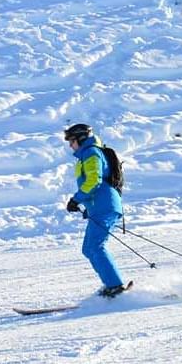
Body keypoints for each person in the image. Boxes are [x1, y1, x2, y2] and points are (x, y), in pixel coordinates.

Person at [63, 123, 127, 298]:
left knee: (95, 246)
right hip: (100, 206)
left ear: (81, 139)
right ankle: (112, 285)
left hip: (105, 206)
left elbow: (93, 180)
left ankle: (115, 287)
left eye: (71, 140)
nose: (70, 145)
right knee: (88, 248)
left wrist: (77, 199)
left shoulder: (91, 152)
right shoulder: (86, 154)